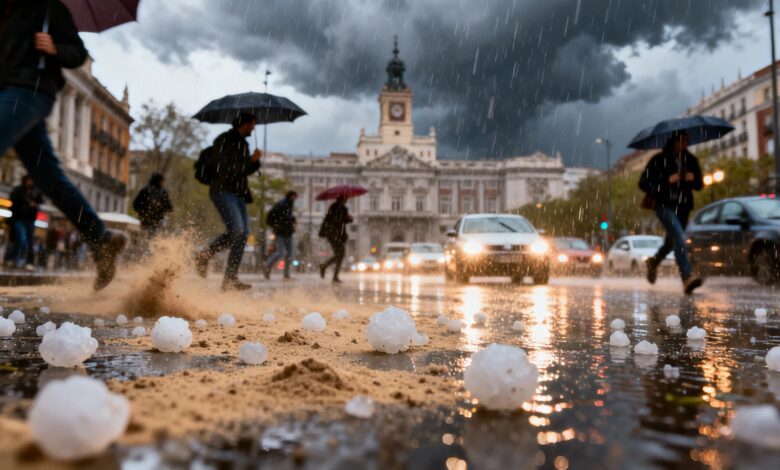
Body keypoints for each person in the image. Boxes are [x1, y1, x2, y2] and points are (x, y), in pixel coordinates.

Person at [0, 0, 126, 289]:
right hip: (11, 90)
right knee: (49, 178)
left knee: (49, 176)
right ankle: (101, 240)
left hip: (30, 90)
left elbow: (77, 52)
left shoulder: (47, 8)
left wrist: (54, 48)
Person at [195, 113, 262, 291]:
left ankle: (230, 278)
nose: (254, 128)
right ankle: (204, 255)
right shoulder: (224, 140)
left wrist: (254, 162)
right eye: (252, 124)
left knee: (243, 234)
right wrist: (251, 161)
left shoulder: (243, 143)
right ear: (244, 124)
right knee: (237, 230)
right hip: (223, 191)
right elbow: (228, 168)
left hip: (239, 194)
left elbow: (242, 170)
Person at [639, 131, 704, 295]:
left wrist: (692, 178)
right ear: (673, 141)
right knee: (680, 238)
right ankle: (687, 277)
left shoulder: (691, 160)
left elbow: (699, 184)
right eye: (681, 140)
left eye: (686, 140)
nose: (684, 144)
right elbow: (643, 183)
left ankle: (653, 262)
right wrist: (666, 181)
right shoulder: (658, 160)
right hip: (664, 205)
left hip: (684, 207)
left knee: (671, 242)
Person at [6, 175, 43, 269]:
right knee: (21, 239)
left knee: (29, 241)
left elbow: (40, 201)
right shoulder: (18, 190)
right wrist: (23, 205)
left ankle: (27, 261)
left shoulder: (36, 191)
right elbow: (12, 201)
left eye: (31, 180)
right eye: (28, 180)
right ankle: (12, 259)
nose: (30, 182)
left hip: (30, 219)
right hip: (19, 218)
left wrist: (34, 204)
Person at [264, 191, 297, 280]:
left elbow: (289, 217)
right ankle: (267, 266)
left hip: (288, 232)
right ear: (290, 196)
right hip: (280, 233)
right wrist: (275, 226)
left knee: (289, 253)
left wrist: (293, 222)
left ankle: (286, 274)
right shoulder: (281, 204)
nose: (295, 199)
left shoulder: (289, 205)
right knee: (280, 252)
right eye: (294, 197)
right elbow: (270, 217)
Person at [319, 196, 353, 284]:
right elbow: (335, 220)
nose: (346, 201)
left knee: (340, 255)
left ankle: (330, 271)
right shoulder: (335, 207)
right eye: (345, 199)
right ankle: (329, 270)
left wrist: (348, 219)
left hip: (337, 234)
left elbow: (341, 221)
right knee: (340, 254)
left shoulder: (342, 208)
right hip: (333, 234)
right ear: (341, 199)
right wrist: (347, 218)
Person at [133, 173, 173, 238]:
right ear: (160, 181)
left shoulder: (144, 190)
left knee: (144, 238)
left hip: (144, 220)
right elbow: (170, 208)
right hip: (157, 221)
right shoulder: (163, 192)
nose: (163, 183)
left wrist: (141, 212)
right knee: (155, 238)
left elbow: (135, 205)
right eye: (162, 181)